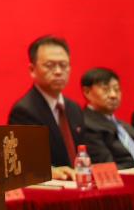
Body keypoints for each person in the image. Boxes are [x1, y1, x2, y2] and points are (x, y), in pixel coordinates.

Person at [7, 35, 84, 178]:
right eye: (50, 65)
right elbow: (23, 162)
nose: (58, 71)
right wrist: (51, 171)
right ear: (32, 70)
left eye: (63, 65)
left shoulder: (74, 108)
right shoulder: (24, 110)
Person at [79, 67, 134, 169]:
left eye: (117, 90)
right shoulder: (86, 124)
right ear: (87, 92)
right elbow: (107, 167)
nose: (113, 95)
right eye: (106, 89)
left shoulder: (124, 126)